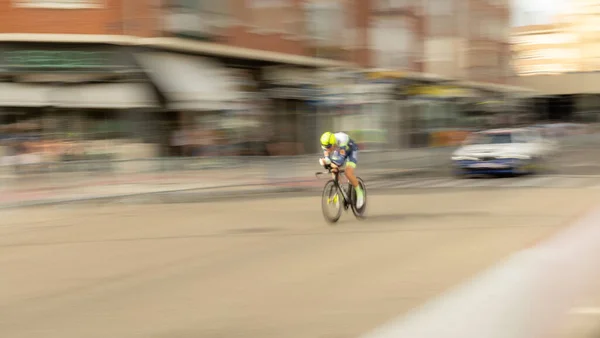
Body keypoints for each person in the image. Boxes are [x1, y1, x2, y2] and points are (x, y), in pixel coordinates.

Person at [318, 131, 364, 208]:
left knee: (348, 172)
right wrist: (325, 161)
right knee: (334, 170)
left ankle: (360, 193)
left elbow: (341, 160)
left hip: (351, 150)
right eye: (326, 148)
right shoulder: (326, 144)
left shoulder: (342, 139)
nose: (327, 150)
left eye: (329, 147)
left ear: (333, 144)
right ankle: (342, 193)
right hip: (339, 150)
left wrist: (331, 162)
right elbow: (327, 158)